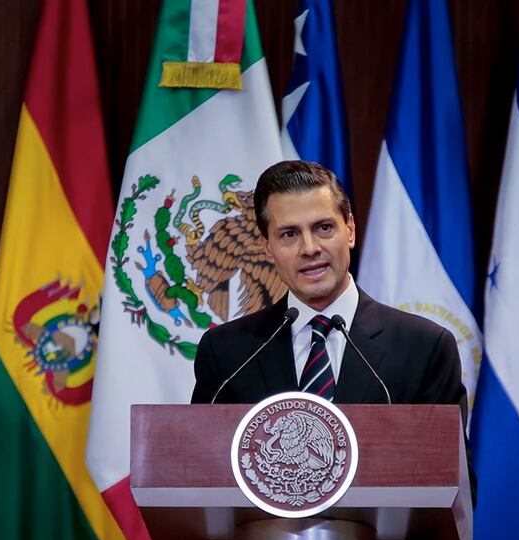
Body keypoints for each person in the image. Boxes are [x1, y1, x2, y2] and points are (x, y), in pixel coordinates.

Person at [190, 160, 468, 422]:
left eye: (323, 228)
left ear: (349, 230)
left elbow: (450, 469)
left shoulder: (423, 348)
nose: (310, 249)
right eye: (289, 234)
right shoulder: (227, 353)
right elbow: (201, 464)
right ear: (267, 247)